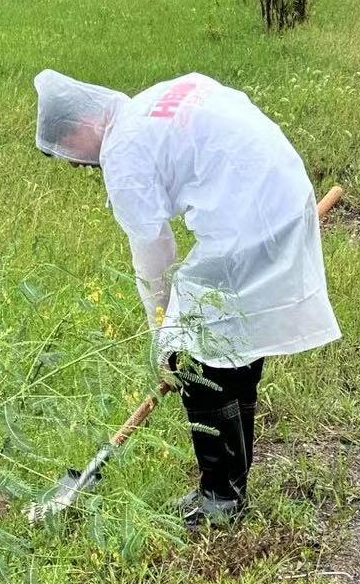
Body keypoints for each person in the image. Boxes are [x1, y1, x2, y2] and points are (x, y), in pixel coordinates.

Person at [33, 69, 339, 530]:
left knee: (196, 354)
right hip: (283, 193)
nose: (75, 164)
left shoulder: (122, 152)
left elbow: (154, 259)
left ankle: (220, 497)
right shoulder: (148, 103)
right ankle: (232, 483)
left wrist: (166, 336)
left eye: (69, 152)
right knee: (234, 339)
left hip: (250, 217)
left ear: (83, 126)